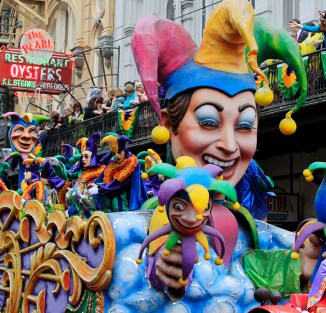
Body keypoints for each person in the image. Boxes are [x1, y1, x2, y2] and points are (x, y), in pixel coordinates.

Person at [132, 0, 311, 303]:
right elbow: (132, 273)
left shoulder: (245, 220)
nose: (229, 145)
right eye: (209, 122)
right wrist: (161, 271)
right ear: (168, 124)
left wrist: (304, 263)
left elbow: (253, 271)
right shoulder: (151, 216)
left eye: (244, 126)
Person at [90, 134, 148, 212]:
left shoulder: (132, 163)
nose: (117, 156)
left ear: (124, 149)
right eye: (114, 153)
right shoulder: (112, 162)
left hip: (127, 202)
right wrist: (97, 185)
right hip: (113, 202)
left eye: (119, 152)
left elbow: (120, 183)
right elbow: (106, 179)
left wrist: (99, 189)